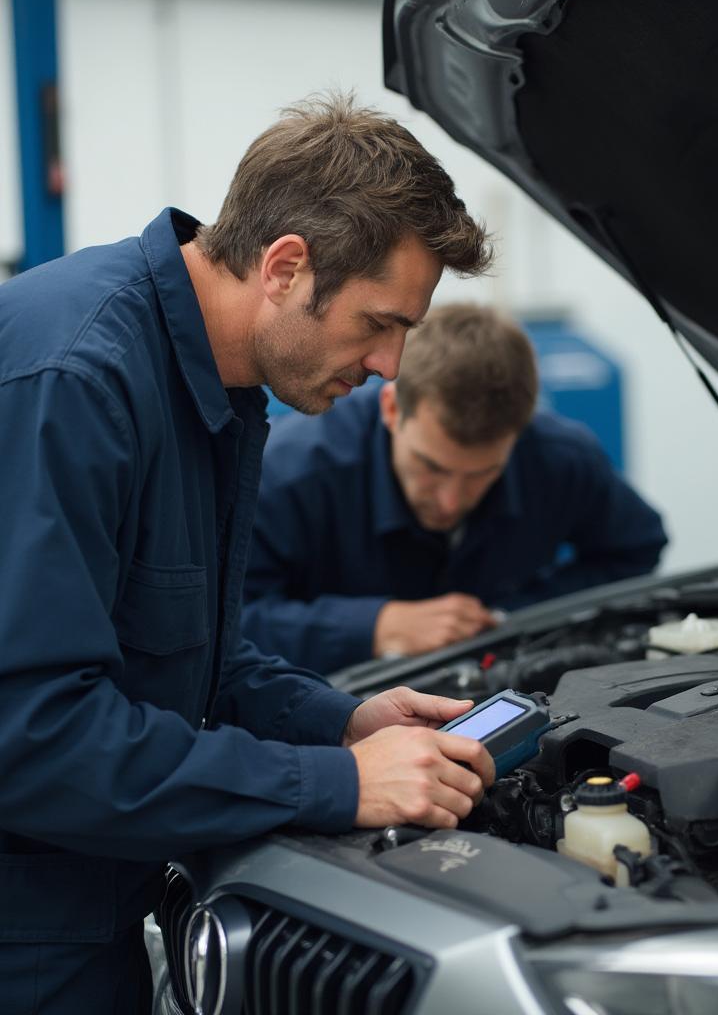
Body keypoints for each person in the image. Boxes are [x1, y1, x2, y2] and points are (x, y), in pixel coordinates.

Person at [0, 94, 496, 1014]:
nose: (391, 365)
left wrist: (340, 724)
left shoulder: (214, 386)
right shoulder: (78, 382)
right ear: (286, 266)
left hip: (93, 910)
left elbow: (184, 660)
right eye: (381, 322)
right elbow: (34, 738)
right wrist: (337, 784)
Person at [242, 303, 668, 673]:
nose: (450, 501)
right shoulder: (287, 474)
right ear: (392, 410)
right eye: (431, 467)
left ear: (518, 435)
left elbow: (636, 550)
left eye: (482, 474)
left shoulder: (560, 459)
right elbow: (228, 622)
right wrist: (372, 627)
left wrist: (512, 617)